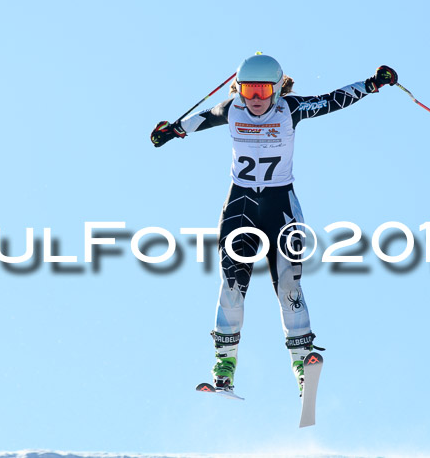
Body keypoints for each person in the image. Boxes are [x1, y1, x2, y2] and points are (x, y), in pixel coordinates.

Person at [150, 54, 397, 394]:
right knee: (233, 284)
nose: (255, 100)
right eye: (248, 91)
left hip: (280, 207)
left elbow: (332, 100)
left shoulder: (290, 110)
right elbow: (195, 122)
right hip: (242, 205)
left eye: (263, 91)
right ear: (238, 89)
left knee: (289, 287)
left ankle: (302, 362)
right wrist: (170, 131)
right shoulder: (231, 110)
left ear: (278, 90)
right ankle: (224, 365)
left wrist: (372, 85)